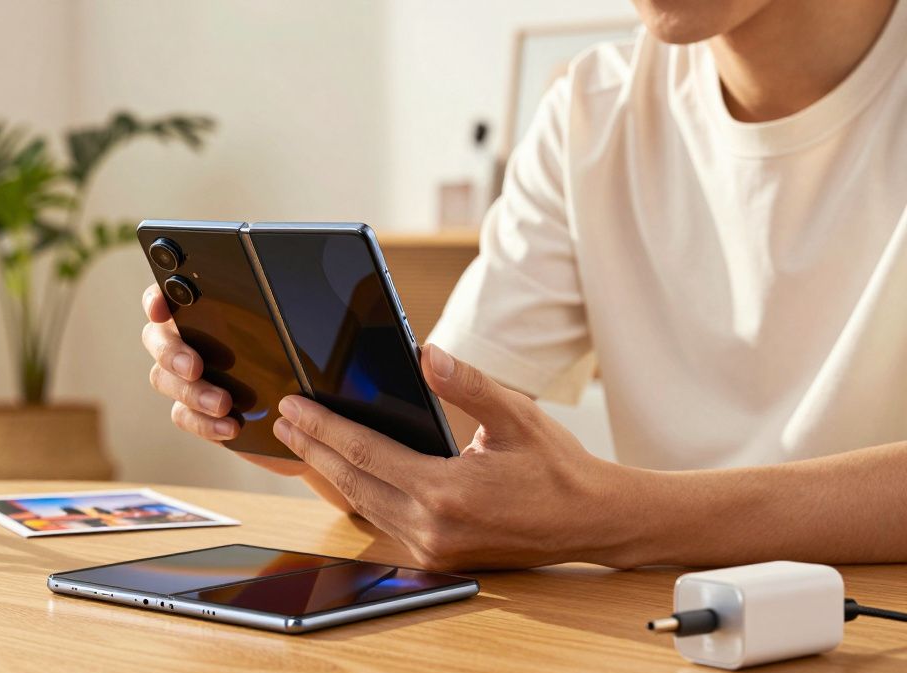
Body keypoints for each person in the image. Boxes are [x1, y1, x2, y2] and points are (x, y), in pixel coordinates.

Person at [141, 0, 907, 570]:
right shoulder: (592, 110)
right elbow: (433, 470)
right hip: (674, 643)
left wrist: (611, 516)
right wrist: (281, 400)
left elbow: (586, 518)